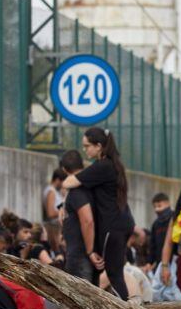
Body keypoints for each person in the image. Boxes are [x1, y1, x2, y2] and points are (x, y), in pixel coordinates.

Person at [62, 128, 133, 300]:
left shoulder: (103, 166)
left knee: (114, 274)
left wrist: (90, 251)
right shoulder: (111, 165)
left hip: (113, 227)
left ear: (99, 146)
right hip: (121, 224)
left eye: (87, 146)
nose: (85, 150)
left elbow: (69, 181)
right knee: (116, 273)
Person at [59, 150, 97, 283]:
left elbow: (87, 220)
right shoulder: (89, 187)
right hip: (81, 252)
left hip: (80, 255)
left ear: (64, 169)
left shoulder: (77, 191)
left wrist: (90, 251)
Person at [148, 193, 173, 273]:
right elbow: (153, 245)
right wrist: (150, 262)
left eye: (159, 206)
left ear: (168, 204)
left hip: (174, 262)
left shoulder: (175, 218)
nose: (157, 210)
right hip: (160, 264)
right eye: (155, 207)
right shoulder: (156, 224)